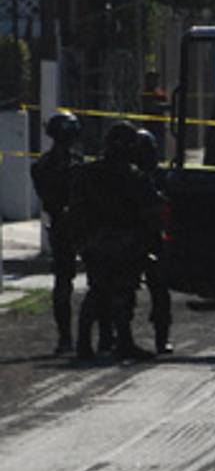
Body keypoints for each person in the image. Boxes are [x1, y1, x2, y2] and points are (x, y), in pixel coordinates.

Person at [70, 121, 163, 360]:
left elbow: (76, 209)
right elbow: (150, 211)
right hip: (124, 243)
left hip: (95, 242)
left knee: (97, 292)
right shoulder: (134, 177)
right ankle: (122, 342)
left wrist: (82, 240)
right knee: (123, 293)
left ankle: (84, 343)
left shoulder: (88, 173)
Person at [30, 112, 83, 355]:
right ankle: (69, 337)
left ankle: (73, 338)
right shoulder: (55, 165)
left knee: (68, 281)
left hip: (72, 225)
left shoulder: (54, 164)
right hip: (69, 225)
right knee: (67, 282)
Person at [135, 128, 173, 353]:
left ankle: (162, 337)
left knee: (159, 290)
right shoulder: (127, 176)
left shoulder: (158, 177)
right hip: (129, 235)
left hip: (153, 237)